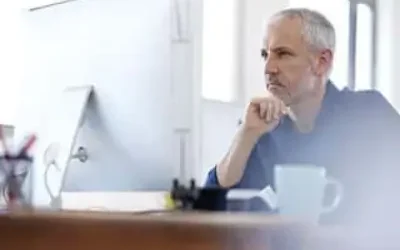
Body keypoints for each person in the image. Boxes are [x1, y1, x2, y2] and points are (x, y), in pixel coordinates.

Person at [204, 8, 400, 225]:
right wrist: (246, 134)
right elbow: (213, 206)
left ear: (321, 62)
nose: (268, 68)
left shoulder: (370, 114)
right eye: (265, 55)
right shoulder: (266, 128)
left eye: (283, 54)